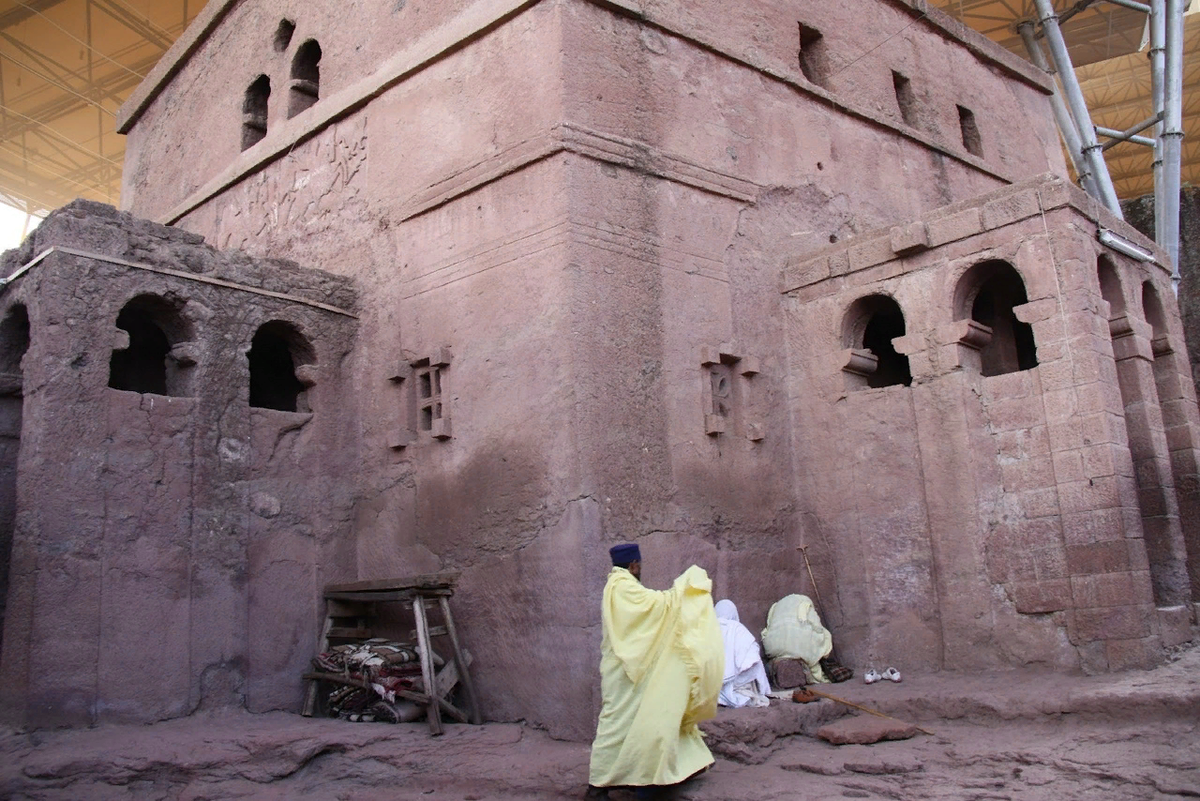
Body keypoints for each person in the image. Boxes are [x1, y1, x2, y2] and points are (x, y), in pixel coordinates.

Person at [586, 543, 723, 799]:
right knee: (616, 725)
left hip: (628, 672)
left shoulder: (620, 586)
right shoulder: (622, 587)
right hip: (625, 673)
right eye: (640, 565)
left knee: (640, 724)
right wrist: (683, 591)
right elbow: (653, 607)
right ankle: (598, 785)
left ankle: (644, 776)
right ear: (634, 564)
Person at [714, 600, 771, 708]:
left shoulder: (706, 629)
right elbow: (753, 657)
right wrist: (764, 689)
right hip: (737, 681)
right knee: (752, 668)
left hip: (711, 683)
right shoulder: (738, 628)